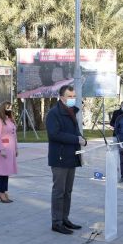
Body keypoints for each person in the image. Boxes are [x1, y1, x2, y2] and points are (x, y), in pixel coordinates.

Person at [46, 85, 86, 235]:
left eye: (73, 96)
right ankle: (56, 222)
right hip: (59, 158)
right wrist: (75, 138)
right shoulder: (54, 113)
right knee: (59, 191)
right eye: (69, 96)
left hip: (71, 157)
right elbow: (54, 134)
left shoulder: (71, 112)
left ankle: (64, 219)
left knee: (68, 191)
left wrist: (81, 138)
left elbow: (75, 132)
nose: (72, 99)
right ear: (62, 97)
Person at [0, 101, 18, 203]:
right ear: (3, 108)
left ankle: (4, 191)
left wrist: (16, 148)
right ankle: (1, 192)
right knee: (3, 173)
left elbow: (14, 136)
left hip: (10, 150)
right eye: (8, 108)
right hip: (3, 151)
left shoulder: (10, 120)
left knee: (7, 172)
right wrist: (2, 149)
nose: (10, 109)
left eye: (11, 108)